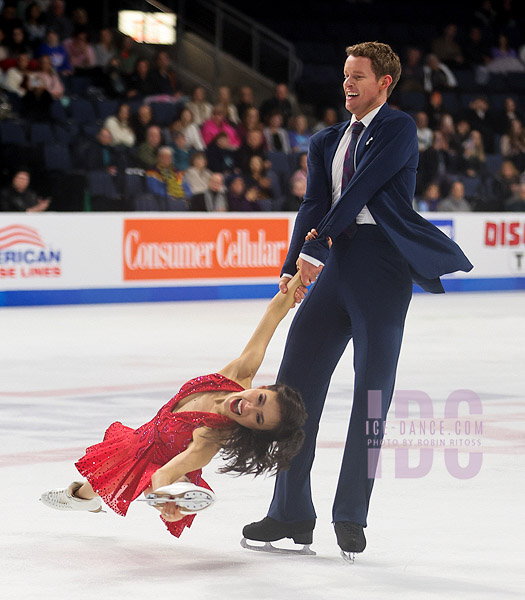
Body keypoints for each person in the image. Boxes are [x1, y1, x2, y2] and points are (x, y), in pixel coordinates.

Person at [241, 41, 472, 560]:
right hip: (335, 264)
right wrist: (288, 268)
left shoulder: (398, 128)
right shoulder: (325, 141)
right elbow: (313, 203)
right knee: (293, 387)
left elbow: (362, 190)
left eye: (359, 77)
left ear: (383, 83)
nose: (348, 84)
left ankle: (351, 512)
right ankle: (290, 511)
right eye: (345, 75)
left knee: (372, 393)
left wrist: (315, 248)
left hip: (381, 269)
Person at [40, 268, 307, 536]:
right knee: (97, 482)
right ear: (262, 387)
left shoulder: (211, 436)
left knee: (168, 481)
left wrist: (167, 500)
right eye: (259, 399)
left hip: (165, 465)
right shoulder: (239, 373)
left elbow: (161, 476)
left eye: (257, 418)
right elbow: (275, 312)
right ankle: (80, 498)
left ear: (255, 430)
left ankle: (181, 493)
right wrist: (304, 272)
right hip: (142, 438)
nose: (248, 407)